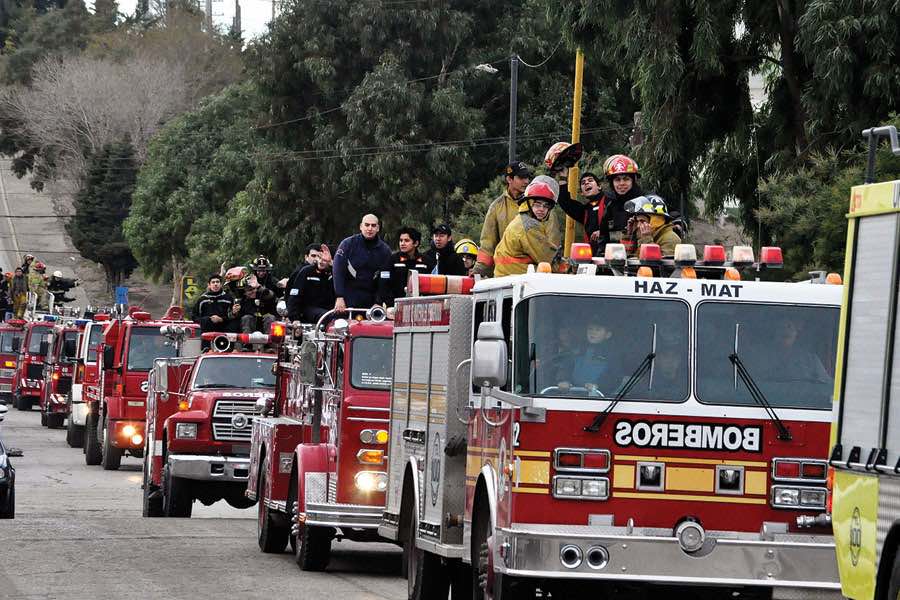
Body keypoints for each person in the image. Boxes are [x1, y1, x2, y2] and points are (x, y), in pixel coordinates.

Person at [474, 161, 561, 277]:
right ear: (509, 179)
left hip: (533, 272)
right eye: (521, 177)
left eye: (527, 178)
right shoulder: (497, 207)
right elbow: (487, 245)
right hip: (516, 275)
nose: (526, 181)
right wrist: (479, 272)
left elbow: (551, 245)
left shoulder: (542, 206)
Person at [493, 176, 562, 277]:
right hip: (515, 278)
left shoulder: (522, 220)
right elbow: (547, 258)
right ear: (529, 204)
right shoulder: (529, 226)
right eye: (537, 205)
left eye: (546, 206)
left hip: (507, 276)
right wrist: (569, 267)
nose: (541, 209)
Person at [332, 214, 392, 310]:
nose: (370, 228)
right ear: (361, 226)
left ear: (378, 228)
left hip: (371, 299)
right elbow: (338, 271)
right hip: (347, 297)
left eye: (373, 225)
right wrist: (339, 296)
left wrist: (378, 302)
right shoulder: (347, 244)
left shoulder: (385, 250)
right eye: (367, 225)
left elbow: (385, 278)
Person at [377, 227, 433, 307]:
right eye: (401, 240)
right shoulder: (392, 260)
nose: (402, 243)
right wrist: (391, 304)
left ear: (416, 243)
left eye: (406, 241)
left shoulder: (426, 261)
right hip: (396, 306)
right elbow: (383, 285)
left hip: (420, 307)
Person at [287, 245, 336, 323]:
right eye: (319, 258)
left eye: (324, 260)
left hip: (330, 310)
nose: (321, 261)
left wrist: (334, 267)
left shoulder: (335, 273)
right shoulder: (307, 271)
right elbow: (294, 296)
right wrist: (294, 318)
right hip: (309, 310)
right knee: (328, 316)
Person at [192, 275, 238, 341]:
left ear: (221, 284)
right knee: (206, 320)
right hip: (208, 327)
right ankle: (206, 348)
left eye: (217, 282)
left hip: (224, 325)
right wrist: (208, 319)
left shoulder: (228, 298)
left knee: (234, 323)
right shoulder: (202, 299)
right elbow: (194, 316)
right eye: (213, 282)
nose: (215, 284)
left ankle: (230, 348)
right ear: (209, 285)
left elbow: (232, 316)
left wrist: (221, 319)